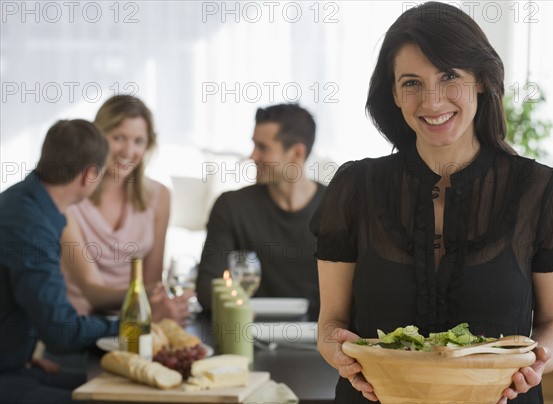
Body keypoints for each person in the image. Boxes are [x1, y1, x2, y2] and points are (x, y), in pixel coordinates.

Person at [310, 2, 553, 403]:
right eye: (411, 83)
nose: (432, 100)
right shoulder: (354, 186)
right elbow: (330, 323)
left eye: (449, 76)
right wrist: (337, 351)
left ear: (480, 80)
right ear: (393, 93)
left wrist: (538, 362)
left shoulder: (542, 190)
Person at [0, 119, 118, 404]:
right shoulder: (30, 225)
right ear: (90, 175)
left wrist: (22, 355)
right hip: (6, 376)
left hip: (14, 365)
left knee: (110, 387)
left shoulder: (26, 203)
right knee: (111, 397)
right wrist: (132, 326)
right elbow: (61, 333)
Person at [60, 95, 188, 324]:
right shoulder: (71, 197)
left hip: (136, 323)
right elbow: (92, 292)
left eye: (139, 141)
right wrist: (148, 293)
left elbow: (152, 280)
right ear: (98, 138)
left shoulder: (159, 197)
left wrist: (161, 301)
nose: (128, 151)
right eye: (118, 138)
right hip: (78, 328)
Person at [196, 103, 326, 321]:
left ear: (296, 153)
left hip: (321, 343)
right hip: (248, 336)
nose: (252, 156)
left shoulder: (337, 207)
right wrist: (240, 312)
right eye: (254, 146)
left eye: (263, 148)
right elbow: (208, 286)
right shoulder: (231, 206)